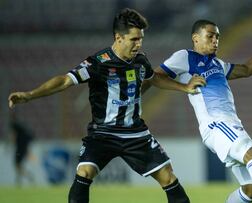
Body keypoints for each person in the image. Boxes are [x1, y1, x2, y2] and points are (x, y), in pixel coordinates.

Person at [8, 8, 206, 203]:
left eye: (141, 39)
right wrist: (29, 95)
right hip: (102, 133)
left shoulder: (140, 60)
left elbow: (154, 79)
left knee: (168, 177)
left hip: (135, 134)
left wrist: (185, 87)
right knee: (84, 173)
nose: (139, 44)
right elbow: (64, 81)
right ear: (118, 37)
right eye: (134, 39)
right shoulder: (98, 63)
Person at [151, 20, 252, 203]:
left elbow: (247, 69)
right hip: (216, 123)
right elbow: (155, 76)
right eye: (210, 36)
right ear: (195, 38)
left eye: (217, 37)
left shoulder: (218, 64)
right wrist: (184, 87)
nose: (215, 40)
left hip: (230, 124)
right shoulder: (185, 57)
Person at [9, 112, 34, 185]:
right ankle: (19, 180)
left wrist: (10, 145)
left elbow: (13, 136)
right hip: (23, 147)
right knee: (18, 165)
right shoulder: (21, 126)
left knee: (17, 165)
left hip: (19, 148)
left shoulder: (14, 125)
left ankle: (27, 176)